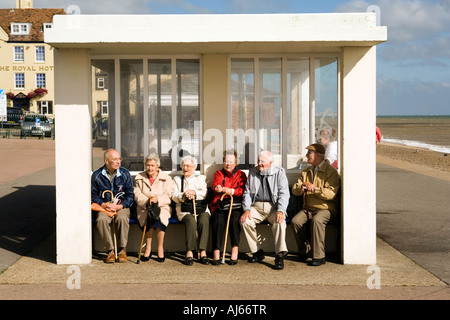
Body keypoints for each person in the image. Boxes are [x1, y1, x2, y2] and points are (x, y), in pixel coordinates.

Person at [291, 143, 340, 266]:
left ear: (318, 155)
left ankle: (319, 256)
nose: (307, 155)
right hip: (308, 208)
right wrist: (301, 189)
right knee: (296, 221)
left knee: (317, 221)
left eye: (309, 153)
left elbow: (331, 194)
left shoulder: (331, 171)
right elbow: (295, 189)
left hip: (326, 209)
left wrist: (315, 189)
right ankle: (305, 251)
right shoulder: (306, 172)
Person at [240, 150, 290, 270]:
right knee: (245, 221)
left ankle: (279, 255)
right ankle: (257, 252)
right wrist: (246, 209)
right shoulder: (253, 172)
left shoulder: (279, 172)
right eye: (258, 161)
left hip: (273, 208)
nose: (259, 164)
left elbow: (284, 194)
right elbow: (247, 193)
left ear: (271, 163)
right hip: (256, 207)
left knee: (280, 222)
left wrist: (281, 210)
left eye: (262, 162)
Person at [91, 149, 134, 263]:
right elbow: (92, 196)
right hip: (104, 207)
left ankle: (122, 250)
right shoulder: (97, 175)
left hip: (121, 206)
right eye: (115, 159)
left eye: (119, 159)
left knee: (122, 218)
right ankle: (110, 250)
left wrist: (121, 206)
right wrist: (103, 204)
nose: (118, 162)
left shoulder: (125, 174)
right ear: (106, 161)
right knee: (101, 220)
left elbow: (130, 196)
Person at [210, 150, 247, 265]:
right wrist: (218, 187)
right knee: (218, 220)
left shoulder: (241, 174)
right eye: (226, 161)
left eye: (231, 162)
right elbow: (216, 183)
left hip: (234, 205)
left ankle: (234, 250)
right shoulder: (219, 173)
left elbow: (242, 191)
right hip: (219, 205)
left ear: (236, 163)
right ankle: (216, 252)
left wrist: (229, 191)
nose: (228, 164)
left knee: (235, 219)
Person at [134, 153, 174, 262]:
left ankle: (160, 247)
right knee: (148, 216)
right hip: (145, 207)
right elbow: (137, 195)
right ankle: (148, 248)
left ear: (157, 166)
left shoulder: (166, 179)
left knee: (159, 217)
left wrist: (158, 199)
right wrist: (147, 201)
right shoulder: (139, 178)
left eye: (152, 165)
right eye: (147, 165)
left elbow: (168, 196)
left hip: (161, 207)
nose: (149, 168)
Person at [172, 156, 210, 265]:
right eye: (183, 165)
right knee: (191, 221)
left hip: (200, 208)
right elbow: (173, 196)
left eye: (188, 166)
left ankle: (202, 251)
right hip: (184, 210)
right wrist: (183, 195)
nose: (185, 168)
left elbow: (204, 193)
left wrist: (194, 193)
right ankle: (189, 252)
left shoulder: (200, 178)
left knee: (203, 220)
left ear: (194, 168)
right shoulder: (177, 180)